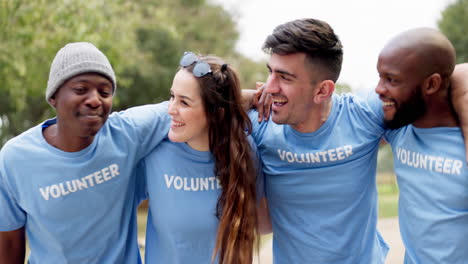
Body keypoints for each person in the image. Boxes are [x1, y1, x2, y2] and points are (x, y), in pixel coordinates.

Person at [0, 42, 171, 263]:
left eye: (104, 92)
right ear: (54, 97)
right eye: (81, 90)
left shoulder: (127, 133)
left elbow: (187, 104)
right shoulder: (15, 159)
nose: (94, 100)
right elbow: (9, 241)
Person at [249, 18, 388, 263]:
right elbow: (189, 106)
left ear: (323, 90)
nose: (269, 87)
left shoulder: (363, 115)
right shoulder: (260, 124)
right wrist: (242, 98)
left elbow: (451, 79)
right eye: (271, 72)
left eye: (285, 77)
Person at [139, 52, 269, 264]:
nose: (170, 109)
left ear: (216, 114)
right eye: (172, 96)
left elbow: (261, 224)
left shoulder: (246, 150)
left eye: (184, 102)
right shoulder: (154, 152)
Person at [376, 28, 468, 264]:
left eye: (391, 80)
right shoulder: (398, 128)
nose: (378, 88)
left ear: (431, 84)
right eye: (380, 77)